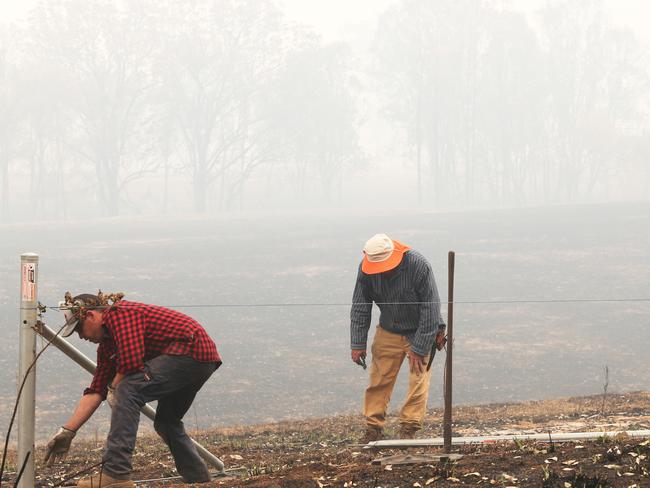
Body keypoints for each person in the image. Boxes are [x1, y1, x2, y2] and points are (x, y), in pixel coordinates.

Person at [44, 292, 222, 487]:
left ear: (91, 315)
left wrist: (115, 389)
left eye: (79, 329)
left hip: (189, 350)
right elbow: (96, 390)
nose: (81, 336)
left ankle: (116, 474)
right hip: (202, 359)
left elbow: (130, 362)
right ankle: (197, 477)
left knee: (128, 390)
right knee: (166, 421)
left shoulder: (120, 314)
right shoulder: (107, 346)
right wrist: (68, 431)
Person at [350, 234, 446, 442]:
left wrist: (420, 348)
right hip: (388, 329)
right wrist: (357, 344)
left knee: (418, 381)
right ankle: (373, 428)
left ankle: (408, 430)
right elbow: (360, 307)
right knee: (379, 379)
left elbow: (431, 308)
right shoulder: (365, 269)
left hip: (421, 328)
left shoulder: (419, 265)